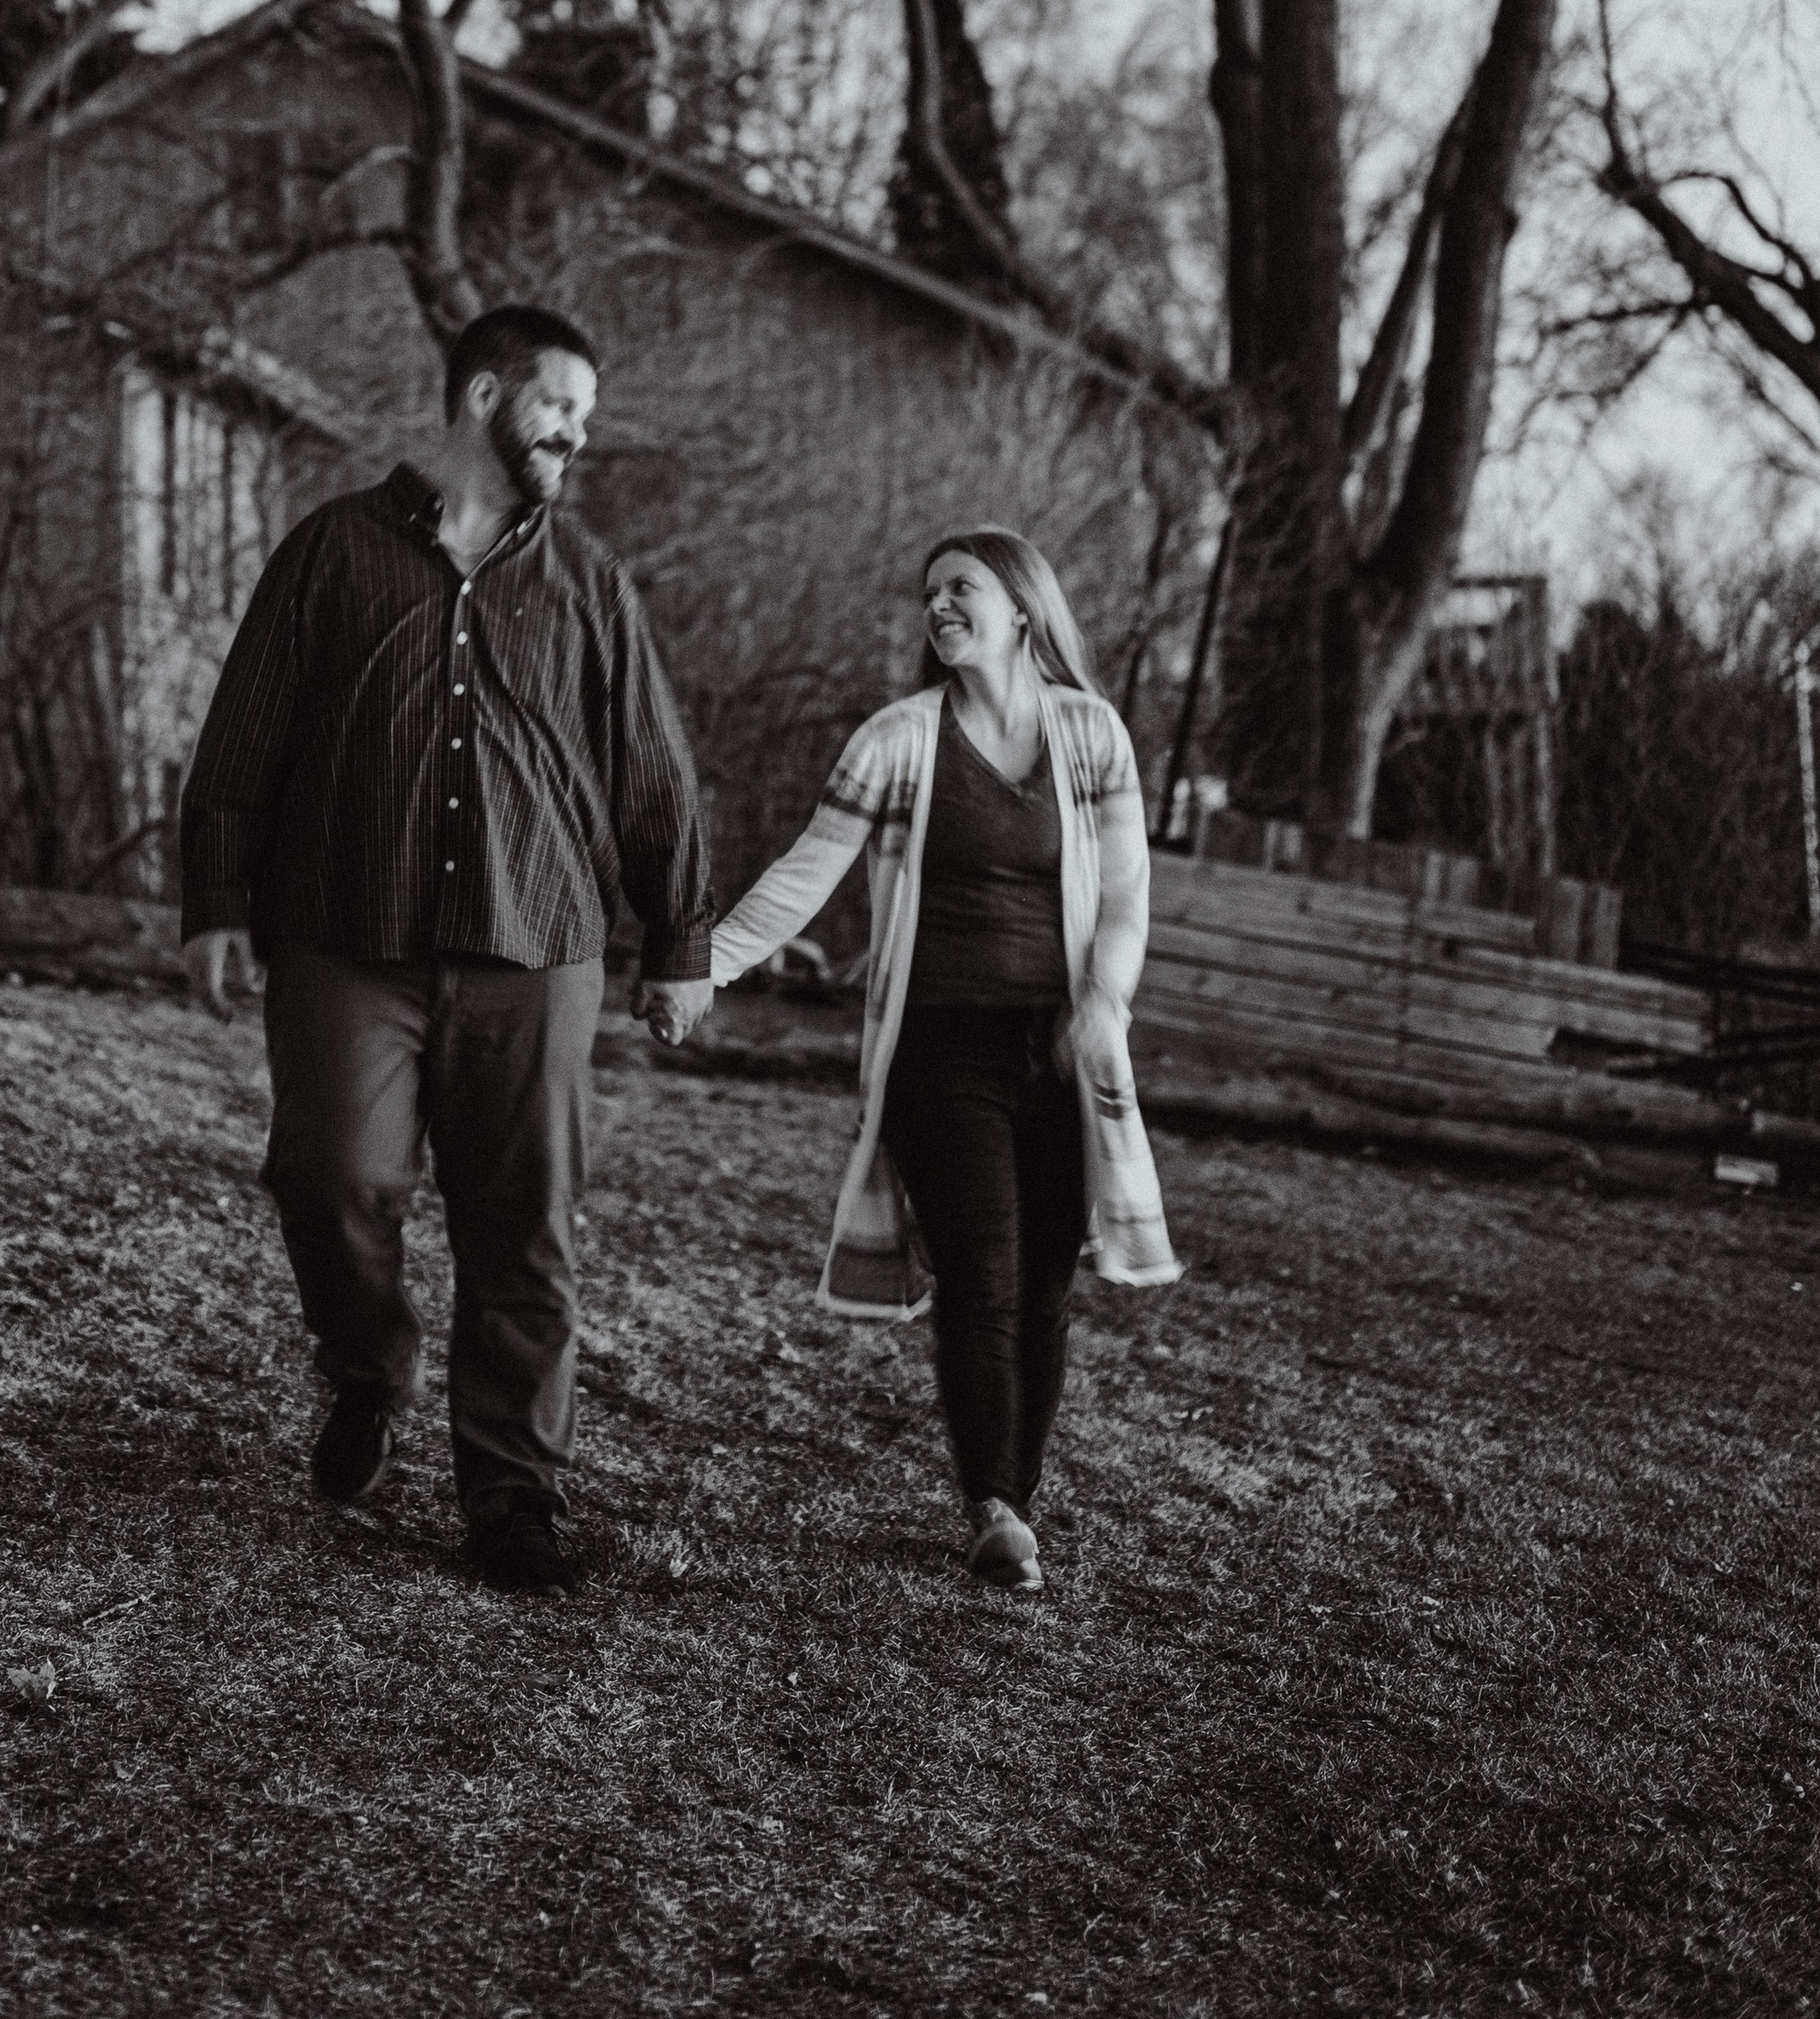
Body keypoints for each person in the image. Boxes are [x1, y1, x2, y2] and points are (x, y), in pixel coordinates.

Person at [176, 300, 712, 1594]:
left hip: (538, 946)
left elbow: (651, 767)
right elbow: (244, 732)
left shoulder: (588, 580)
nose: (576, 432)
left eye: (583, 414)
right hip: (344, 934)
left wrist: (679, 935)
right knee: (330, 1177)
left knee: (523, 1225)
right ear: (483, 395)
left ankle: (513, 1498)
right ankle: (369, 1367)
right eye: (558, 405)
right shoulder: (331, 551)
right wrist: (215, 900)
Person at [691, 527, 1179, 1591]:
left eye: (961, 587)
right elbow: (806, 871)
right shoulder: (898, 738)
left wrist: (1104, 998)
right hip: (938, 1048)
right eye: (929, 593)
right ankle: (992, 1506)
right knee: (983, 1272)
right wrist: (708, 963)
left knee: (1044, 1286)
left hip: (1060, 1048)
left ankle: (1015, 1496)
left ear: (1022, 606)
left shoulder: (1092, 734)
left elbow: (1128, 894)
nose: (938, 606)